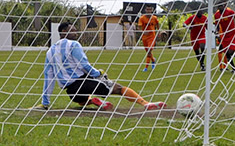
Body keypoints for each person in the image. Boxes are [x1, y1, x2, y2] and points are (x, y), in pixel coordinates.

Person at [33, 22, 166, 111]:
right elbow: (84, 65)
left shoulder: (50, 51)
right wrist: (98, 73)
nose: (76, 33)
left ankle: (94, 101)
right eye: (73, 30)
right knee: (119, 88)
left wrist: (45, 102)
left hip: (71, 92)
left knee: (81, 101)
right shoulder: (73, 44)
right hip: (84, 82)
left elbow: (48, 76)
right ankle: (145, 103)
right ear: (63, 31)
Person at [214, 0, 235, 72]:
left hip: (232, 34)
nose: (221, 7)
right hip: (224, 35)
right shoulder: (217, 15)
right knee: (226, 52)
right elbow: (217, 25)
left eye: (222, 5)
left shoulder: (230, 12)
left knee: (230, 51)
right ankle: (234, 68)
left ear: (224, 6)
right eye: (219, 6)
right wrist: (217, 33)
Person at [138, 5, 159, 72]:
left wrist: (159, 32)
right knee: (148, 52)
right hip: (144, 37)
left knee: (149, 50)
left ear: (152, 10)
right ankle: (153, 60)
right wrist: (143, 31)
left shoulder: (154, 18)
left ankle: (146, 67)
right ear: (145, 10)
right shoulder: (142, 18)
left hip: (152, 36)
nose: (149, 11)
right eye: (147, 10)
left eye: (150, 10)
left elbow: (157, 25)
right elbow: (139, 27)